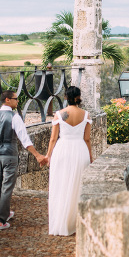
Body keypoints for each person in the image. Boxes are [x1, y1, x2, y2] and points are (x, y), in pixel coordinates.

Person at [0, 90, 48, 230]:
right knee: (7, 186)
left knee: (0, 185)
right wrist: (37, 155)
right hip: (10, 155)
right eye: (15, 99)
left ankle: (4, 212)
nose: (17, 101)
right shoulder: (15, 117)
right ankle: (1, 220)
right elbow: (25, 140)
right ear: (7, 100)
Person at [45, 86, 93, 236]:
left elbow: (53, 138)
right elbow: (87, 139)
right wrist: (91, 157)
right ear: (79, 97)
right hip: (80, 151)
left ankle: (61, 221)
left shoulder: (59, 115)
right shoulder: (86, 115)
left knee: (60, 185)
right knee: (78, 186)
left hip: (62, 150)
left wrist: (48, 156)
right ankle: (75, 222)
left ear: (66, 97)